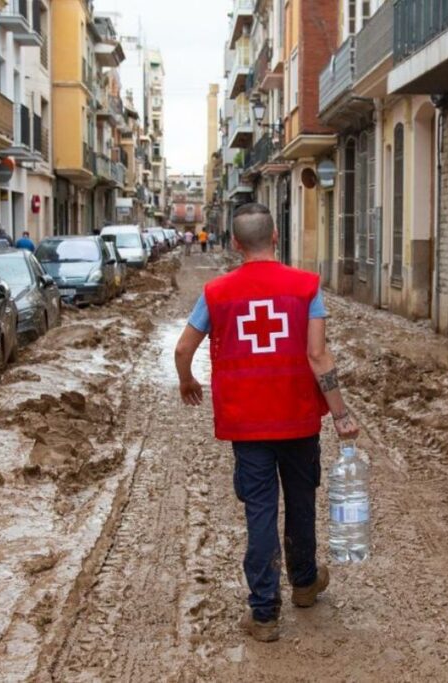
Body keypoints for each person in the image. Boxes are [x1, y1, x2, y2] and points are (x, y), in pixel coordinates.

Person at [174, 202, 360, 643]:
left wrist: (187, 381)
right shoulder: (306, 287)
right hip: (298, 419)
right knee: (300, 501)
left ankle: (263, 614)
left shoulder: (216, 292)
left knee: (259, 511)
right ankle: (304, 584)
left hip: (247, 424)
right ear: (276, 238)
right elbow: (318, 356)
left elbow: (183, 348)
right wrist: (341, 413)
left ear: (236, 243)